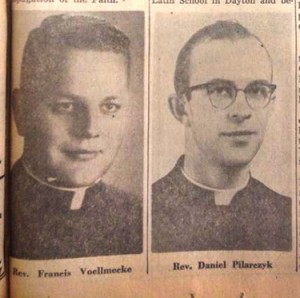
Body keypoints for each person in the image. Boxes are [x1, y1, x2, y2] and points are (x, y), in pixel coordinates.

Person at [152, 20, 292, 253]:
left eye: (257, 91)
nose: (241, 111)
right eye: (219, 90)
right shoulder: (145, 210)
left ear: (271, 104)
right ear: (181, 108)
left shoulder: (288, 215)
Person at [11, 14, 142, 259]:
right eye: (67, 106)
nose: (90, 129)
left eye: (110, 107)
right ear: (21, 112)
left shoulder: (139, 216)